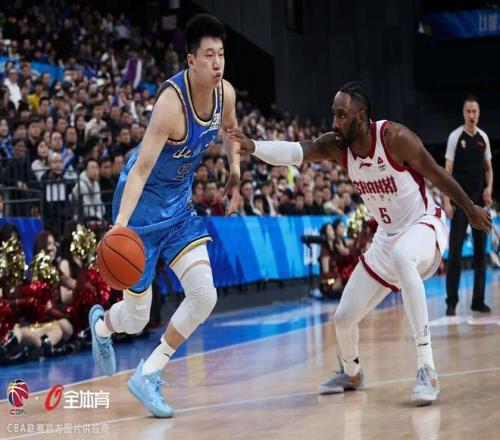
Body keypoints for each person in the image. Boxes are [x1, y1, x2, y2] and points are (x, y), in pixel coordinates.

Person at [227, 81, 491, 405]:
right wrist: (253, 145)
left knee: (404, 255)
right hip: (386, 239)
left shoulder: (395, 138)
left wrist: (470, 209)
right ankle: (351, 372)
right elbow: (297, 151)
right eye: (333, 114)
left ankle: (427, 368)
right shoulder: (337, 147)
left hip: (423, 225)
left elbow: (437, 173)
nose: (334, 122)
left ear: (361, 117)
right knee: (343, 318)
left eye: (342, 115)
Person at [88, 14, 240, 418]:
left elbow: (231, 132)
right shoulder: (171, 105)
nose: (217, 63)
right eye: (208, 55)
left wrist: (236, 173)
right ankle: (102, 326)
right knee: (136, 318)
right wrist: (120, 226)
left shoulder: (225, 94)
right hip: (140, 211)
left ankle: (149, 372)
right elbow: (140, 170)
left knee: (205, 295)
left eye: (221, 54)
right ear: (191, 60)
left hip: (179, 209)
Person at [444, 95, 494, 316]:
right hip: (460, 202)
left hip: (479, 203)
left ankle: (478, 301)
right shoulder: (455, 137)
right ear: (463, 113)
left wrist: (489, 188)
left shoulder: (483, 138)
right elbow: (447, 172)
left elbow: (489, 169)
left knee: (481, 253)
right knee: (455, 252)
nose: (472, 115)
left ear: (479, 113)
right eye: (468, 111)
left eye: (475, 111)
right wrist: (447, 200)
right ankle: (451, 302)